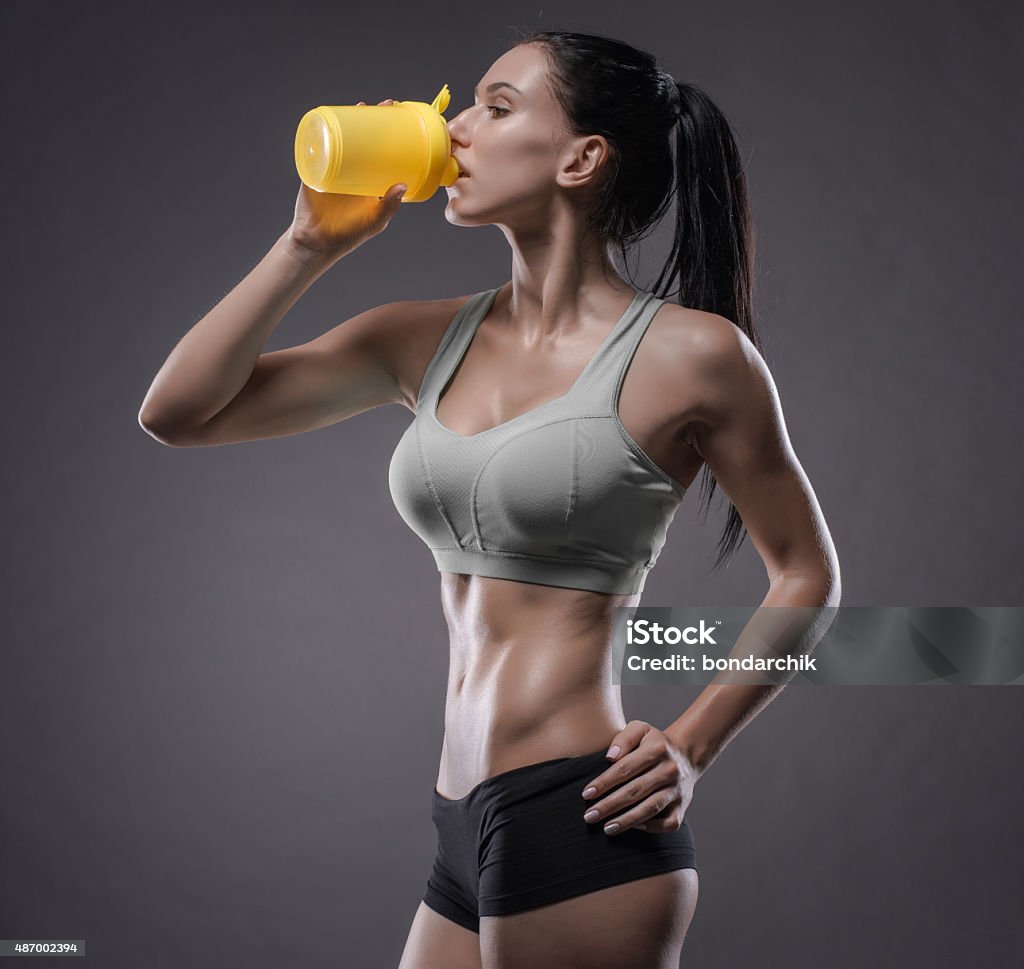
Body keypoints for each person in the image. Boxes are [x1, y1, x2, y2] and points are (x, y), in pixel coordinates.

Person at [139, 27, 840, 969]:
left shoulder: (693, 356)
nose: (456, 129)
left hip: (577, 811)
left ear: (583, 158)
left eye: (497, 106)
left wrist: (689, 745)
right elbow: (179, 413)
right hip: (458, 821)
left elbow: (806, 573)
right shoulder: (420, 339)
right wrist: (307, 243)